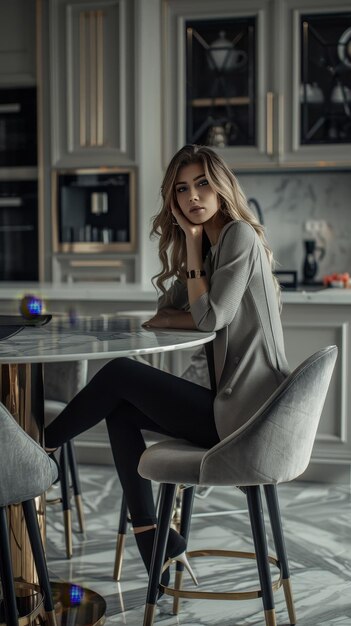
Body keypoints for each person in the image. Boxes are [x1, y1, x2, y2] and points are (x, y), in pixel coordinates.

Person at [45, 144, 290, 590]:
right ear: (173, 200)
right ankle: (148, 534)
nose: (193, 197)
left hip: (249, 417)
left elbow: (210, 318)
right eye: (182, 189)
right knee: (119, 405)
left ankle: (43, 448)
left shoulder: (238, 236)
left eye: (201, 185)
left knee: (121, 373)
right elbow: (166, 310)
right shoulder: (214, 246)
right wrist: (192, 252)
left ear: (220, 187)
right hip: (231, 409)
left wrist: (194, 251)